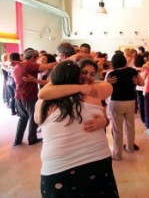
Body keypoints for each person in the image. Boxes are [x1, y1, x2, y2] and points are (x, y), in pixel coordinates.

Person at [34, 61, 119, 197]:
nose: (88, 78)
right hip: (97, 160)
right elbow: (108, 86)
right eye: (84, 73)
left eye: (92, 74)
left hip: (57, 169)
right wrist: (80, 88)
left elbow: (43, 95)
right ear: (78, 77)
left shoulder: (42, 104)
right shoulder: (93, 93)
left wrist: (59, 78)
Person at [12, 49, 57, 146]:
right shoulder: (29, 64)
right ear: (33, 58)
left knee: (22, 118)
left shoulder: (18, 66)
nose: (39, 61)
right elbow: (47, 66)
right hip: (28, 95)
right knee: (32, 117)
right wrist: (61, 61)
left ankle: (17, 140)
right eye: (37, 58)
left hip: (18, 96)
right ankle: (32, 139)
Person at [105, 53, 144, 160]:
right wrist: (136, 82)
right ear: (124, 61)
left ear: (113, 62)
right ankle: (130, 147)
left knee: (117, 129)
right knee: (130, 125)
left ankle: (117, 154)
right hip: (131, 101)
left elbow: (105, 90)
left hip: (116, 102)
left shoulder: (111, 73)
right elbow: (142, 83)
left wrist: (107, 82)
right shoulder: (133, 71)